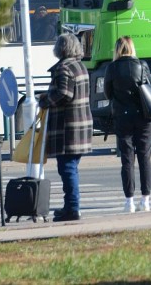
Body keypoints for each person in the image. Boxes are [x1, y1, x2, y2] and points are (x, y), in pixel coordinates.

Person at [38, 33, 93, 222]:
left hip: (67, 126)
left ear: (60, 48)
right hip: (81, 124)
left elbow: (64, 93)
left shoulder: (64, 68)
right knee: (71, 167)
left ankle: (72, 208)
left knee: (67, 168)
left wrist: (45, 100)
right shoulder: (80, 66)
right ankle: (70, 206)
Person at [103, 36, 151, 213]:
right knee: (144, 157)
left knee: (127, 159)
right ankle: (145, 200)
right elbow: (149, 89)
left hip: (122, 117)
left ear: (117, 49)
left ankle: (129, 201)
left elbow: (108, 93)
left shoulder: (112, 68)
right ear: (132, 48)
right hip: (144, 117)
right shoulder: (142, 65)